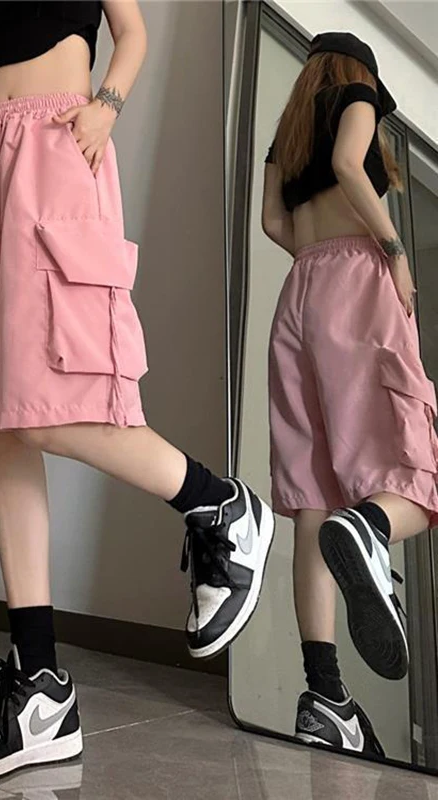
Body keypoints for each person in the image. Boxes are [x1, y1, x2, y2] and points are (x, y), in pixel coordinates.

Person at [0, 0, 274, 781]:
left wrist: (107, 105)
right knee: (4, 423)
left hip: (58, 146)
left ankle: (218, 504)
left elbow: (132, 32)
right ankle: (40, 683)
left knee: (50, 404)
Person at [262, 32, 438, 756]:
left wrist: (316, 260)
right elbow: (347, 164)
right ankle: (370, 531)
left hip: (299, 293)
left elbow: (273, 223)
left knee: (312, 499)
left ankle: (325, 696)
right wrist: (391, 251)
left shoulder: (286, 133)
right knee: (416, 473)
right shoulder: (357, 95)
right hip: (358, 285)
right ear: (360, 71)